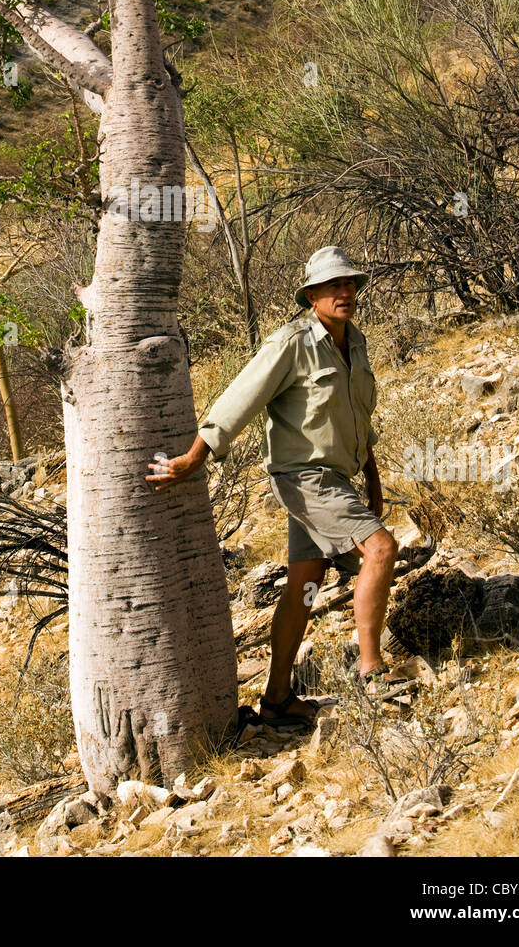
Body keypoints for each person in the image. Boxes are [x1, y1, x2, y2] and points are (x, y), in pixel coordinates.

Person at [146, 245, 403, 727]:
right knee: (382, 550)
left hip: (338, 477)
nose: (344, 292)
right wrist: (194, 458)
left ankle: (278, 697)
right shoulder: (290, 343)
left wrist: (371, 477)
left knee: (305, 583)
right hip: (305, 479)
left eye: (349, 284)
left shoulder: (356, 342)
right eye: (332, 286)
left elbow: (360, 418)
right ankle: (372, 672)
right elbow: (240, 399)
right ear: (311, 296)